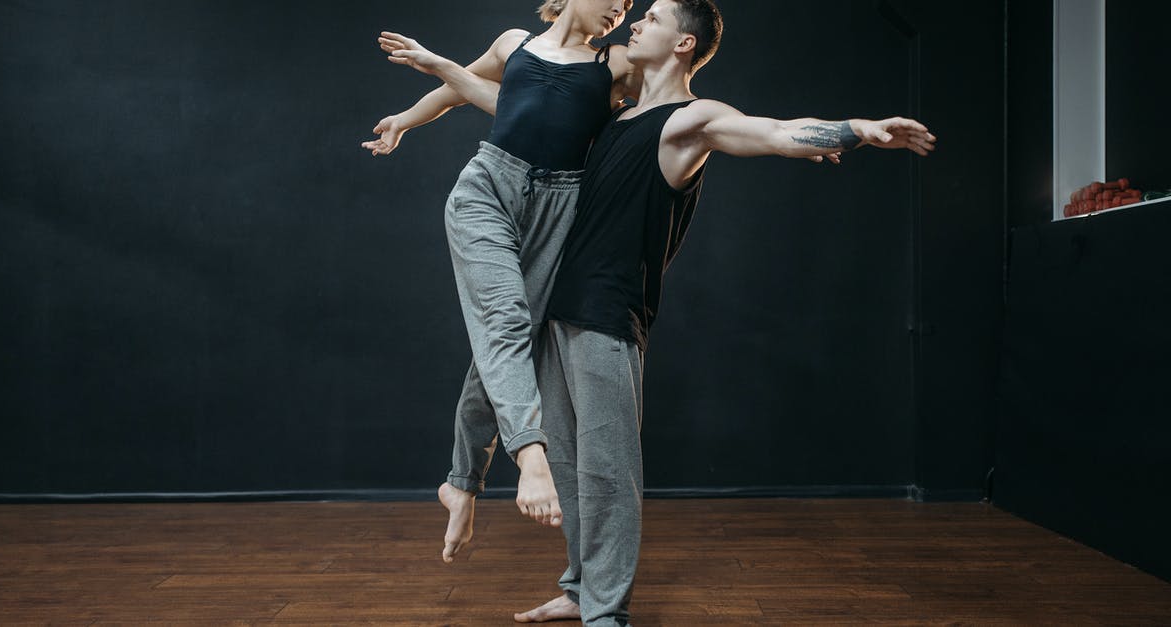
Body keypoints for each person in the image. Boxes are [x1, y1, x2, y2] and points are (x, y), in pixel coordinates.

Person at [386, 0, 936, 623]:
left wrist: (852, 129)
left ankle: (606, 613)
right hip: (563, 301)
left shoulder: (689, 119)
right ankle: (577, 587)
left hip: (607, 312)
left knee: (607, 471)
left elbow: (772, 131)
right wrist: (426, 89)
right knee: (566, 460)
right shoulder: (615, 114)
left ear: (682, 45)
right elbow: (511, 103)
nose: (636, 21)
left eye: (651, 17)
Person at [362, 0, 637, 564]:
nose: (621, 8)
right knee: (505, 322)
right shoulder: (514, 42)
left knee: (501, 347)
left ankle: (460, 483)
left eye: (631, 6)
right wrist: (403, 122)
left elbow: (672, 89)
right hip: (488, 188)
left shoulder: (615, 67)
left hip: (559, 207)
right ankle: (529, 458)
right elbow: (461, 91)